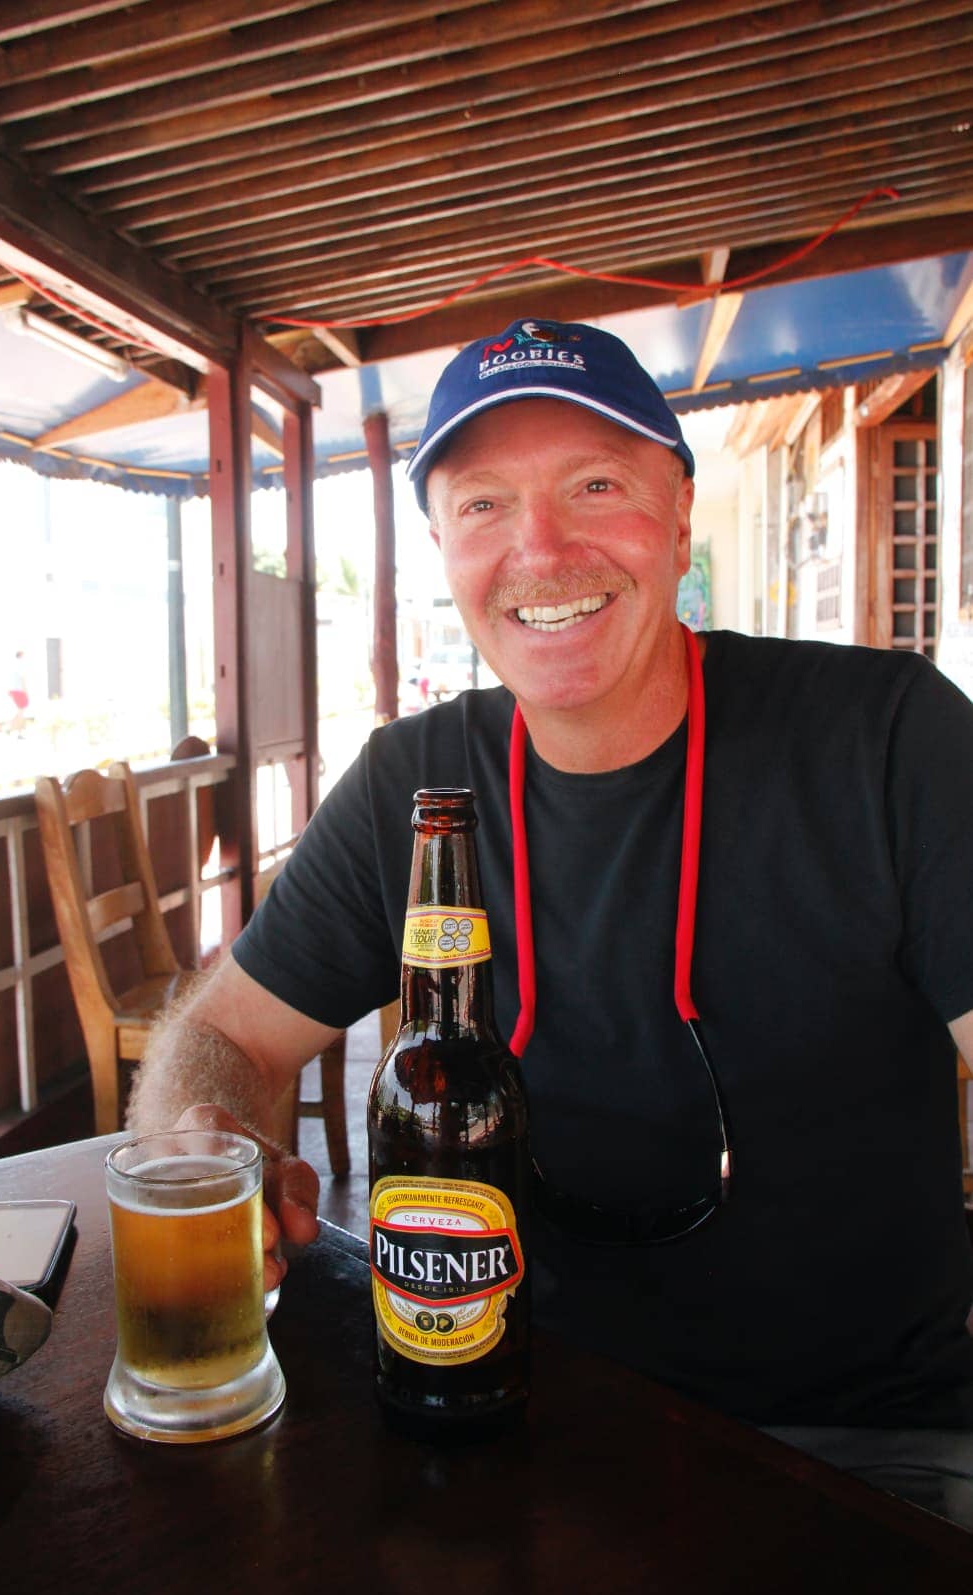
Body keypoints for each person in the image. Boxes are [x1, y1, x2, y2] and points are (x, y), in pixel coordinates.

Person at [127, 317, 973, 1528]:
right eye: (482, 505)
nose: (540, 547)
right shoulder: (412, 782)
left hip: (852, 1444)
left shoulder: (886, 738)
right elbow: (223, 1036)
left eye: (594, 485)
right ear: (442, 548)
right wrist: (201, 1137)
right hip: (495, 1406)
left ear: (677, 516)